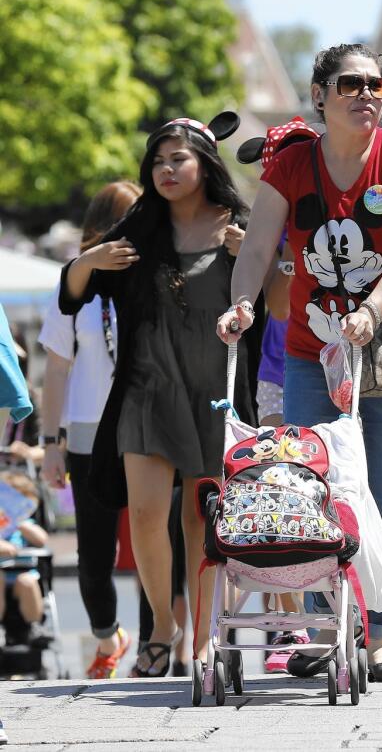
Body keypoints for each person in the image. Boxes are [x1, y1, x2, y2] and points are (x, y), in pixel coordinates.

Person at [218, 43, 382, 683]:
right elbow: (258, 246)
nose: (366, 94)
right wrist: (241, 306)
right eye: (350, 84)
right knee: (313, 489)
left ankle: (380, 639)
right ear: (320, 95)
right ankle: (329, 628)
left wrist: (370, 313)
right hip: (313, 353)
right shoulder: (291, 165)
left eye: (377, 84)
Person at [60, 112, 258, 677]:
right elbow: (72, 297)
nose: (167, 169)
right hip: (146, 392)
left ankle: (200, 639)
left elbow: (279, 302)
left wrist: (255, 262)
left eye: (179, 158)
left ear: (205, 163)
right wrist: (88, 261)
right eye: (158, 160)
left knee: (202, 520)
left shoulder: (237, 226)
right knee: (145, 515)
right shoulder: (139, 226)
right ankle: (161, 628)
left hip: (215, 397)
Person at [37, 181, 139, 678]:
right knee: (94, 558)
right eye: (121, 222)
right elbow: (55, 369)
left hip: (145, 426)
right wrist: (50, 443)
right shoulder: (72, 286)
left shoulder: (150, 275)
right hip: (86, 431)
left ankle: (163, 645)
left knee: (154, 544)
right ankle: (108, 636)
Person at [0, 470, 49, 636]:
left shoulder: (25, 523)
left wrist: (20, 523)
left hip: (22, 573)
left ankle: (35, 626)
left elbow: (41, 539)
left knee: (27, 582)